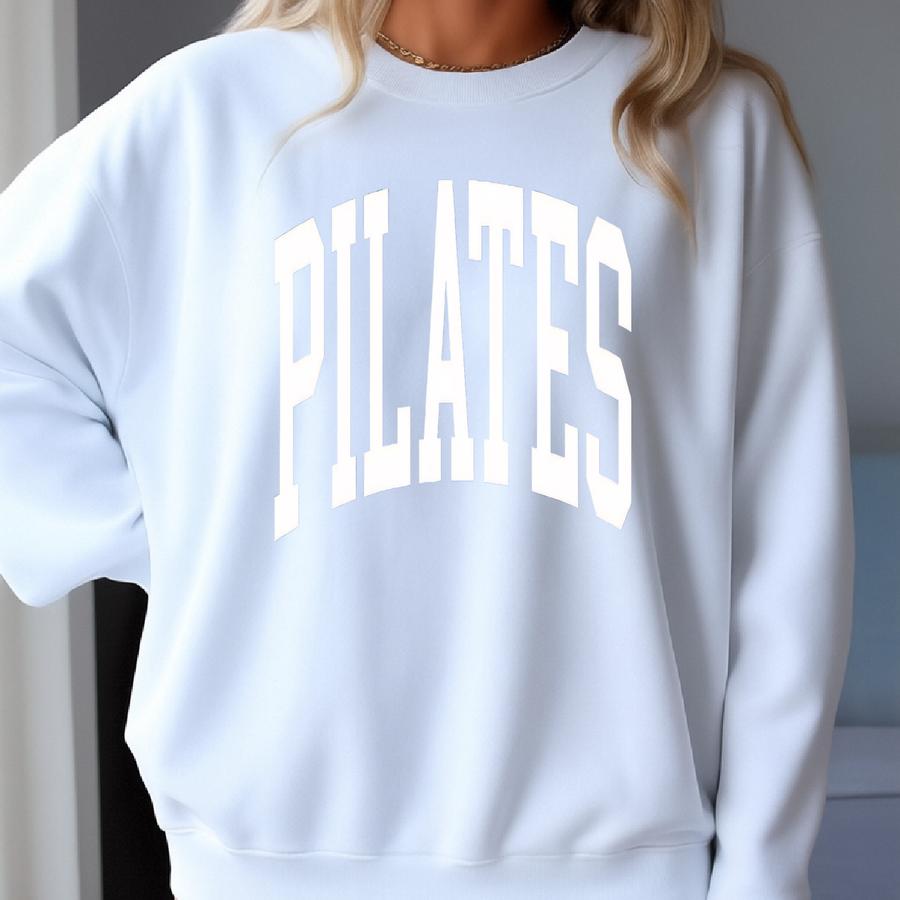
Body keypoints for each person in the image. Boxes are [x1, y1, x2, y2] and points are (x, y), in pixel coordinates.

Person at [0, 1, 855, 898]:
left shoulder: (713, 130)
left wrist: (763, 878)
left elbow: (786, 558)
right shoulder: (205, 114)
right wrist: (190, 548)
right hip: (260, 872)